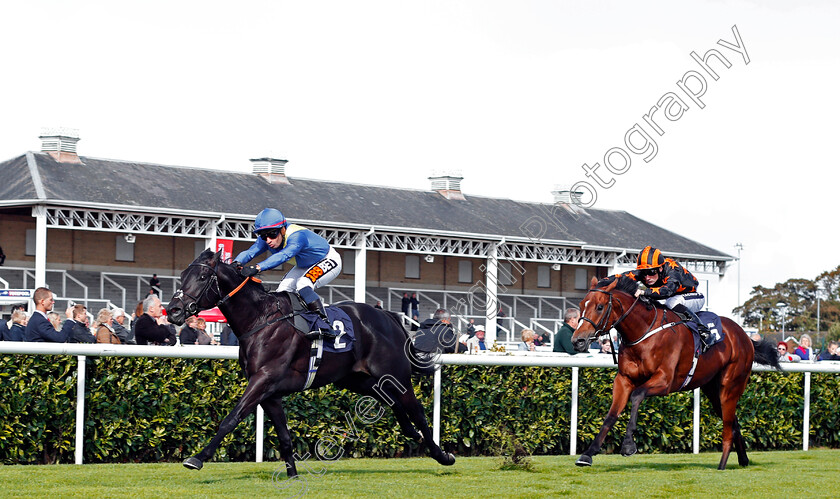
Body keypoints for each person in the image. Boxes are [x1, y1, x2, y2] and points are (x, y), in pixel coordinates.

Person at [233, 208, 342, 339]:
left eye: (272, 234)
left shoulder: (297, 236)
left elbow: (284, 255)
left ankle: (326, 325)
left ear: (283, 229)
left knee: (303, 283)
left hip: (328, 258)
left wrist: (257, 267)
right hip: (305, 264)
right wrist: (235, 263)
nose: (268, 240)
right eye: (263, 236)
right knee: (282, 291)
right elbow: (251, 252)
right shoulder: (269, 238)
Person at [629, 246, 712, 352]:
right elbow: (621, 277)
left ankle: (704, 331)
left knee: (672, 302)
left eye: (651, 272)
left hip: (693, 296)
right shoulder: (649, 273)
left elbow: (668, 290)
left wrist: (644, 292)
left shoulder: (673, 268)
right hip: (672, 297)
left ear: (660, 268)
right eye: (643, 273)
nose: (647, 277)